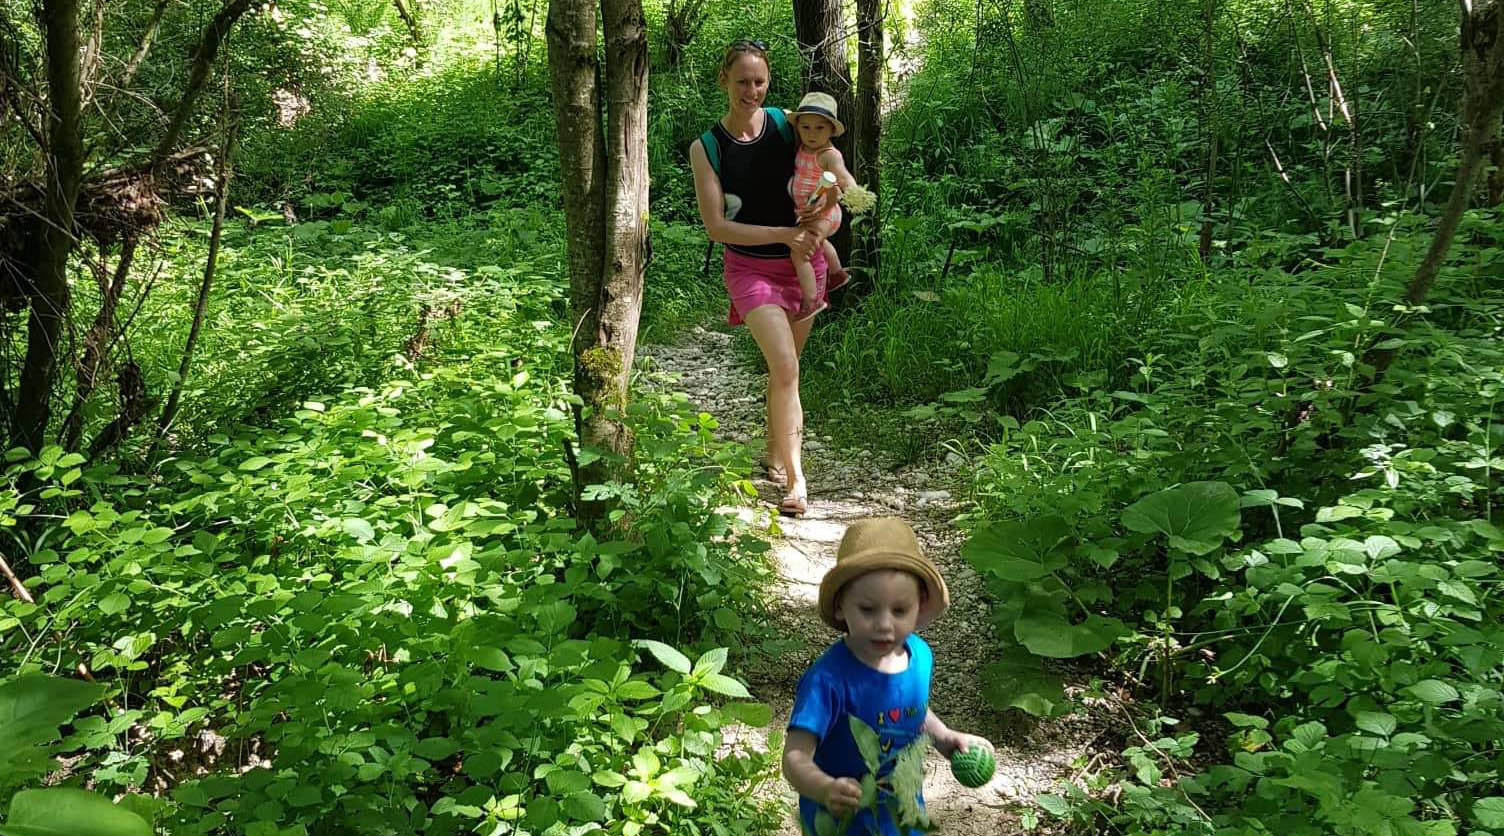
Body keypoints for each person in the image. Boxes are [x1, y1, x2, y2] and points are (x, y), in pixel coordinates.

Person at [689, 39, 836, 517]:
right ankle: (796, 480)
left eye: (760, 81)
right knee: (787, 366)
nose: (751, 90)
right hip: (750, 268)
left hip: (803, 265)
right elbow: (716, 226)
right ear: (723, 81)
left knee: (786, 369)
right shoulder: (707, 147)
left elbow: (827, 165)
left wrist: (829, 211)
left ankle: (775, 451)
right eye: (742, 81)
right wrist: (783, 233)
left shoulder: (787, 123)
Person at [782, 517, 996, 836]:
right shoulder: (828, 681)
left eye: (899, 611)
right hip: (843, 821)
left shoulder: (919, 656)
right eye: (868, 610)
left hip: (902, 812)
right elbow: (794, 758)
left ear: (919, 606)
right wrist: (824, 787)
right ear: (841, 606)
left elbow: (912, 711)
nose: (884, 624)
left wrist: (946, 738)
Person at [788, 92, 857, 321]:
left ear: (830, 130)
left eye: (819, 128)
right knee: (819, 243)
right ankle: (836, 273)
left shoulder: (828, 155)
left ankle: (812, 300)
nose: (812, 134)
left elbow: (842, 176)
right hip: (808, 210)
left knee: (800, 250)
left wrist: (854, 192)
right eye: (805, 127)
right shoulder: (803, 147)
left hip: (826, 212)